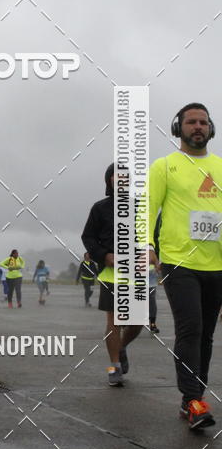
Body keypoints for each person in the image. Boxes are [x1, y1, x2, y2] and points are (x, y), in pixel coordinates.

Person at [149, 103, 222, 430]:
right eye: (191, 122)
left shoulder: (220, 168)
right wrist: (147, 245)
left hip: (216, 264)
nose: (198, 126)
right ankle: (194, 400)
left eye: (203, 122)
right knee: (190, 329)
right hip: (179, 262)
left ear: (211, 129)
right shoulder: (165, 167)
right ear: (179, 128)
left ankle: (191, 398)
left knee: (206, 335)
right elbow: (146, 210)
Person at [82, 164, 143, 386]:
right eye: (117, 177)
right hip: (111, 274)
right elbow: (88, 237)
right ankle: (113, 367)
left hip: (137, 273)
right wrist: (104, 255)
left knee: (137, 323)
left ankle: (123, 346)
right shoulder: (99, 208)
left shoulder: (141, 207)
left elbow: (153, 235)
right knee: (114, 321)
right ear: (109, 181)